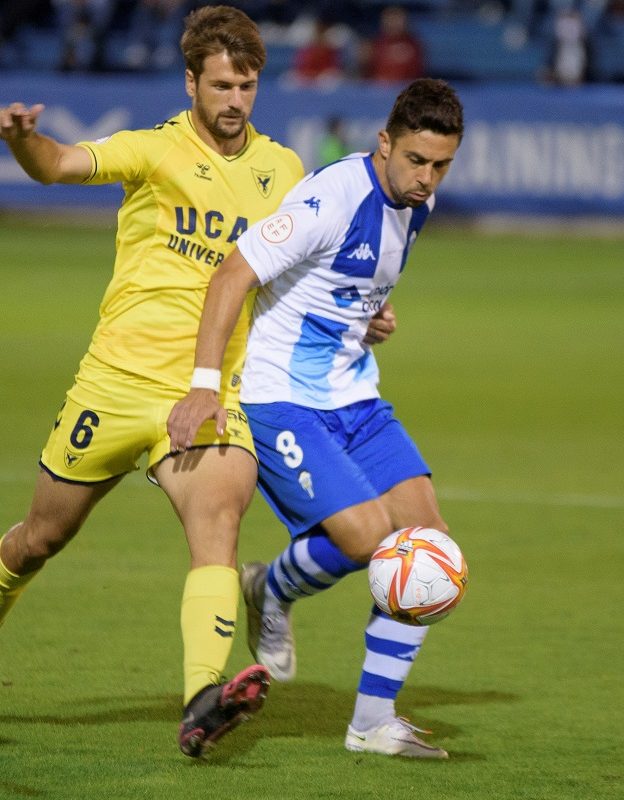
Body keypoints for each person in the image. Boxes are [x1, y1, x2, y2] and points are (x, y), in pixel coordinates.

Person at [0, 5, 306, 758]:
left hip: (206, 394)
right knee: (40, 538)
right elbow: (61, 163)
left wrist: (364, 314)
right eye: (223, 85)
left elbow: (306, 264)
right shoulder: (151, 150)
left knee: (220, 527)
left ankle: (203, 697)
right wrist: (21, 141)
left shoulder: (285, 171)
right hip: (113, 385)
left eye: (249, 85)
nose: (236, 100)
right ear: (192, 82)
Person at [167, 77, 464, 759]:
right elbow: (233, 274)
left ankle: (370, 723)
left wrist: (369, 318)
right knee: (368, 541)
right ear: (383, 143)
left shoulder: (417, 204)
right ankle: (269, 590)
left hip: (355, 395)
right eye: (416, 160)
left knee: (431, 545)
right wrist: (205, 387)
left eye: (441, 165)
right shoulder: (330, 198)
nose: (426, 178)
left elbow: (349, 286)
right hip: (281, 396)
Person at [359, 5, 424, 83]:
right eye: (390, 20)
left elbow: (418, 73)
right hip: (378, 90)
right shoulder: (375, 44)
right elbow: (366, 75)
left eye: (397, 20)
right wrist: (364, 62)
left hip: (405, 89)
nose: (394, 24)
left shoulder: (414, 45)